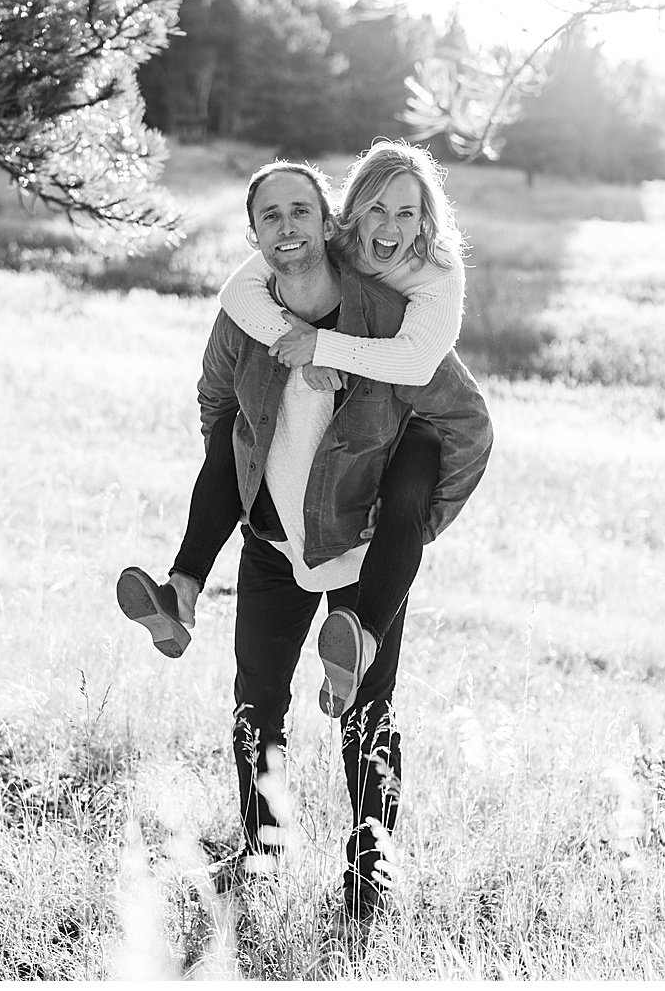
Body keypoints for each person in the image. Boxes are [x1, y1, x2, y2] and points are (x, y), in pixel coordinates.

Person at [132, 161, 493, 927]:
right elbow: (216, 398)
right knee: (255, 703)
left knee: (366, 711)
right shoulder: (247, 310)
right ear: (256, 232)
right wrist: (244, 474)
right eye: (272, 215)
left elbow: (456, 421)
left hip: (363, 547)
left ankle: (371, 871)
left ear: (328, 223)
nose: (288, 227)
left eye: (302, 210)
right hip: (272, 542)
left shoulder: (390, 315)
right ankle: (261, 848)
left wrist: (419, 519)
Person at [119, 141, 465, 717]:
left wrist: (327, 347)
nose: (390, 227)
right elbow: (236, 300)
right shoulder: (327, 248)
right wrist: (296, 348)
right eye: (376, 210)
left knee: (369, 716)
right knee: (237, 431)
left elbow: (422, 369)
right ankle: (181, 589)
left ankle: (364, 642)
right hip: (277, 532)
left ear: (424, 221)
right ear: (349, 219)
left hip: (401, 449)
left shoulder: (433, 274)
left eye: (406, 213)